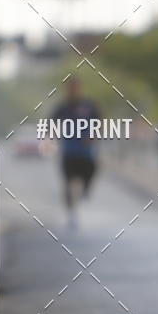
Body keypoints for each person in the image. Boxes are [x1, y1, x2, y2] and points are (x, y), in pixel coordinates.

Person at [53, 77, 101, 230]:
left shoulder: (88, 105)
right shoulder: (63, 106)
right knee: (68, 184)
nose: (73, 90)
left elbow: (99, 122)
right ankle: (71, 214)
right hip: (69, 151)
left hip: (85, 152)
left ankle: (85, 190)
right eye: (70, 87)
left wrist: (93, 135)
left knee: (91, 171)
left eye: (75, 87)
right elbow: (52, 122)